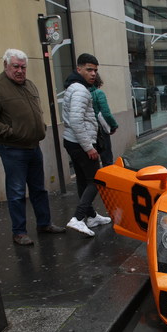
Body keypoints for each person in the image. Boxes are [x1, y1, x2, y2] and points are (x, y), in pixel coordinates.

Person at [0, 48, 66, 246]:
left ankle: (44, 224)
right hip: (12, 149)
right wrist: (12, 133)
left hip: (33, 146)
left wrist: (40, 127)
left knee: (39, 189)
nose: (20, 71)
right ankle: (19, 232)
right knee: (17, 191)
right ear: (6, 66)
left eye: (23, 67)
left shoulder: (29, 85)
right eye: (15, 67)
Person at [62, 53, 111, 237]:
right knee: (96, 180)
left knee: (83, 179)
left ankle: (90, 216)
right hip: (81, 143)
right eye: (89, 69)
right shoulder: (81, 90)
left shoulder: (73, 88)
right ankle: (78, 217)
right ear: (79, 69)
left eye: (95, 70)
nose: (93, 74)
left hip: (72, 142)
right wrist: (89, 147)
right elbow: (76, 120)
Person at [90, 73, 118, 166]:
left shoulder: (84, 93)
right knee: (107, 158)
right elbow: (106, 113)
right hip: (101, 129)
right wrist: (113, 125)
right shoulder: (98, 93)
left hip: (89, 130)